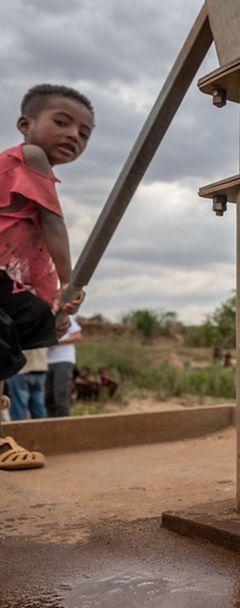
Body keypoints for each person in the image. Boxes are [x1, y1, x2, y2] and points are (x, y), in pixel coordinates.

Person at [0, 83, 93, 470]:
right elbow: (53, 224)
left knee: (30, 319)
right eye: (62, 122)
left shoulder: (33, 169)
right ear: (26, 123)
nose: (74, 135)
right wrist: (71, 284)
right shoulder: (31, 156)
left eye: (84, 133)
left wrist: (54, 302)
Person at [46, 315, 81, 417]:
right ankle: (50, 423)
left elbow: (77, 335)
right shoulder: (44, 319)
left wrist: (59, 341)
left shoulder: (64, 317)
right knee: (48, 395)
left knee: (60, 393)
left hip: (64, 359)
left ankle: (64, 423)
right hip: (47, 361)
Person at [7, 347, 48, 419]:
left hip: (21, 369)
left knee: (18, 408)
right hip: (40, 367)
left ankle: (19, 430)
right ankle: (42, 429)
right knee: (39, 407)